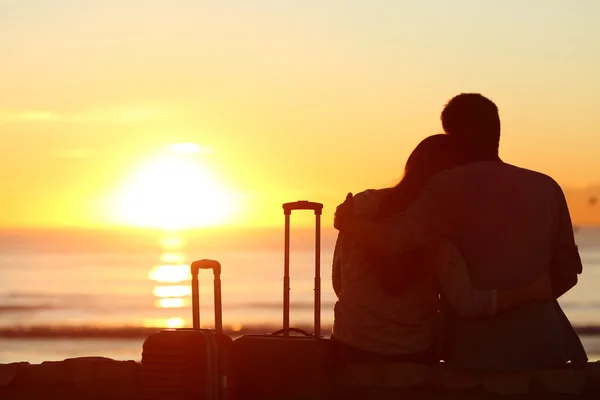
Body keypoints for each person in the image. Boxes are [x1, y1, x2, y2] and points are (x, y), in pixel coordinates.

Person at [334, 94, 587, 371]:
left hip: (473, 353)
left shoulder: (443, 188)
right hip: (544, 343)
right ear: (497, 130)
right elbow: (566, 274)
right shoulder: (547, 187)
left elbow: (394, 241)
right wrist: (529, 299)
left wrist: (349, 224)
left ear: (454, 137)